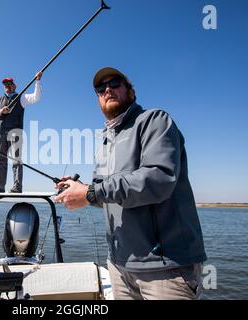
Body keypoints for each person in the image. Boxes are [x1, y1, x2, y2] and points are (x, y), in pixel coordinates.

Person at [55, 67, 207, 300]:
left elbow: (158, 179)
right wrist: (83, 190)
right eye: (100, 88)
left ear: (131, 92)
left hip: (166, 269)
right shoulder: (105, 142)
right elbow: (107, 196)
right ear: (98, 98)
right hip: (118, 267)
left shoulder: (155, 120)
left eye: (115, 83)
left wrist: (91, 192)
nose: (107, 89)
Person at [0, 72, 43, 193]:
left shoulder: (22, 98)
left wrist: (37, 81)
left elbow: (36, 97)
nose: (7, 86)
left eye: (9, 84)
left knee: (16, 160)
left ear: (14, 86)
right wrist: (0, 111)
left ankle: (17, 187)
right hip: (0, 133)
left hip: (16, 132)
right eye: (5, 84)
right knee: (1, 160)